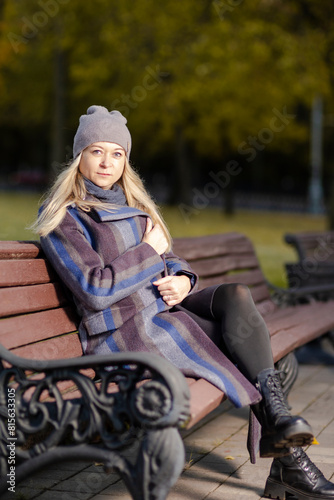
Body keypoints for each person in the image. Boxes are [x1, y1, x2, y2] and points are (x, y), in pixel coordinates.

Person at [33, 105, 334, 499]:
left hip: (161, 314)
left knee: (235, 298)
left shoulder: (134, 207)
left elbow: (168, 257)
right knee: (238, 343)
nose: (107, 162)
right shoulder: (65, 216)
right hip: (123, 333)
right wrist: (146, 251)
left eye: (117, 153)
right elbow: (94, 290)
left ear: (126, 160)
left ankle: (279, 424)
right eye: (97, 151)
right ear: (80, 156)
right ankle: (292, 463)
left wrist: (182, 279)